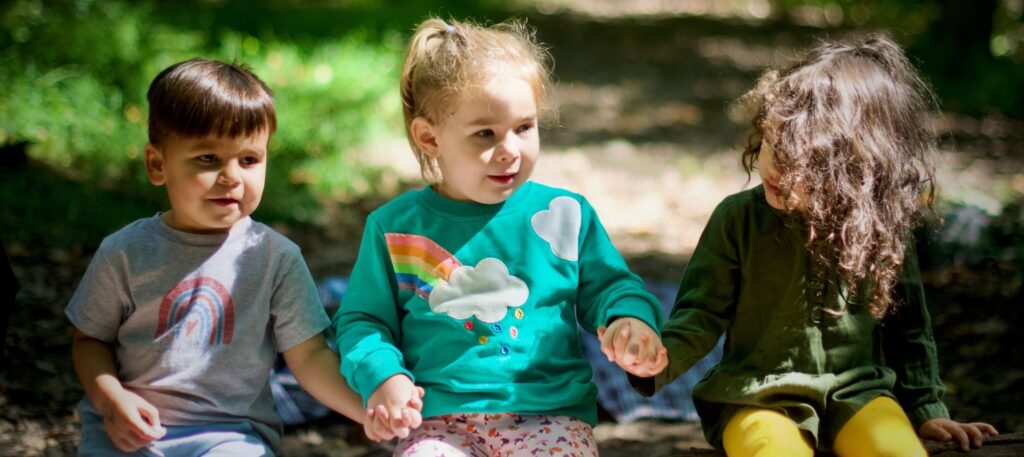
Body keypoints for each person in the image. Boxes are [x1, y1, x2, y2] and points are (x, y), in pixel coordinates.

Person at [630, 35, 999, 456]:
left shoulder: (880, 226)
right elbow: (701, 311)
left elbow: (909, 327)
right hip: (757, 396)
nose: (774, 167)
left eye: (800, 163)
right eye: (772, 142)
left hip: (859, 394)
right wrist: (659, 359)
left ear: (853, 171)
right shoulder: (738, 218)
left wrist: (926, 407)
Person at [332, 18, 667, 456]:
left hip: (549, 415)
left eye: (524, 127)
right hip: (437, 422)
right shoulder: (395, 228)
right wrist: (383, 376)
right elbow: (363, 321)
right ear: (429, 137)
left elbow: (612, 286)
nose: (510, 148)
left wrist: (629, 320)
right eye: (485, 134)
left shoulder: (565, 214)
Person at [66, 58, 368, 456]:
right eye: (208, 159)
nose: (231, 177)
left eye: (249, 159)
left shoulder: (275, 258)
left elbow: (309, 356)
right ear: (158, 165)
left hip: (230, 434)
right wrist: (111, 400)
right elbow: (89, 340)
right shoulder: (125, 251)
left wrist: (367, 411)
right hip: (129, 431)